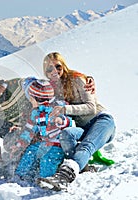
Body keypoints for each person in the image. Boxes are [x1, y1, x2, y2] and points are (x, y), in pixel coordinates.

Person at [0, 69, 96, 173]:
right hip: (22, 132)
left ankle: (52, 159)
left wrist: (85, 79)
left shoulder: (19, 85)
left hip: (43, 126)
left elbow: (48, 85)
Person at [38, 52, 116, 190]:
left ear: (64, 66)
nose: (54, 71)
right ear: (46, 72)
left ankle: (64, 176)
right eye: (50, 69)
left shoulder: (77, 79)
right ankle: (82, 167)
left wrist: (65, 109)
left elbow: (91, 108)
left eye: (58, 66)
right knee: (67, 135)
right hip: (83, 127)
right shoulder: (52, 88)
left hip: (101, 120)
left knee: (86, 145)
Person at [10, 77, 73, 181]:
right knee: (29, 153)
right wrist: (19, 145)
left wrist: (61, 121)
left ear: (37, 99)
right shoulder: (35, 113)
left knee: (47, 160)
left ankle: (47, 178)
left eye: (31, 98)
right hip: (43, 143)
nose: (29, 100)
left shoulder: (57, 107)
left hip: (56, 145)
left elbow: (70, 121)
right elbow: (29, 130)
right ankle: (21, 176)